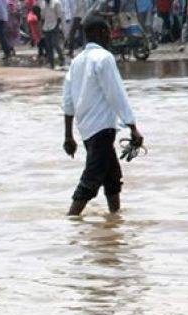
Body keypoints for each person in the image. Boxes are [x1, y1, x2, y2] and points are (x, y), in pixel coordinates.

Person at [61, 17, 143, 216]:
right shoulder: (104, 58)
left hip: (87, 129)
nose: (110, 36)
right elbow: (116, 94)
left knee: (112, 177)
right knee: (90, 182)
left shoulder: (77, 61)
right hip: (102, 128)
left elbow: (68, 101)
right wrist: (132, 127)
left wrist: (68, 136)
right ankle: (71, 220)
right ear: (100, 33)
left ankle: (114, 217)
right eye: (108, 32)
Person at [40, 0, 65, 69]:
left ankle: (61, 58)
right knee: (48, 46)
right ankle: (52, 64)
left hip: (54, 26)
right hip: (46, 26)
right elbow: (42, 17)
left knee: (55, 44)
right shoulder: (43, 4)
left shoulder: (56, 3)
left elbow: (59, 16)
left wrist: (57, 26)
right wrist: (42, 28)